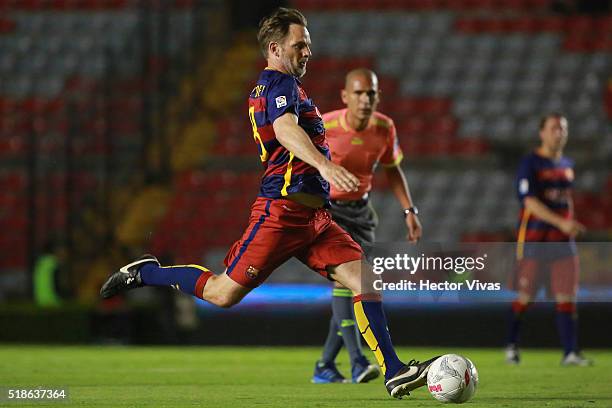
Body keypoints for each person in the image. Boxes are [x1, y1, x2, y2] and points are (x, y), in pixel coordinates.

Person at [100, 7, 437, 398]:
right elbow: (285, 129)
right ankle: (147, 273)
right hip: (280, 212)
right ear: (275, 48)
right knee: (221, 294)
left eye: (308, 44)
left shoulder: (285, 86)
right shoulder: (279, 85)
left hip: (314, 219)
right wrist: (325, 165)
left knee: (363, 279)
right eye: (300, 44)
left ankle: (393, 370)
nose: (307, 51)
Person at [312, 69, 422, 384]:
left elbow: (393, 170)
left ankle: (324, 366)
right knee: (351, 284)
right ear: (345, 96)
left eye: (370, 93)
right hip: (330, 212)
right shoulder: (326, 125)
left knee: (355, 288)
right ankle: (358, 361)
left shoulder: (385, 127)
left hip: (361, 212)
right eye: (358, 93)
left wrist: (409, 210)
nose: (365, 99)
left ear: (378, 96)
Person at [505, 113, 592, 366]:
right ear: (541, 132)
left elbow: (565, 200)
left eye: (563, 128)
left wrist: (570, 222)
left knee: (567, 297)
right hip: (535, 239)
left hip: (563, 242)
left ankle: (570, 353)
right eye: (554, 128)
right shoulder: (530, 163)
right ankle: (511, 345)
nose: (560, 133)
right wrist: (561, 222)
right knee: (525, 297)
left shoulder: (566, 164)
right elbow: (529, 202)